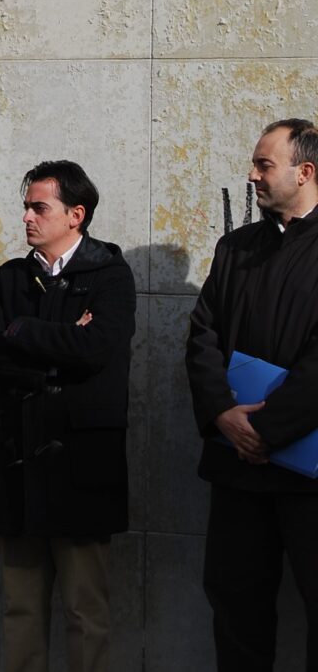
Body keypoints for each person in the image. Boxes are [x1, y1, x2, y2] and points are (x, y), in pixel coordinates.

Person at [0, 159, 136, 672]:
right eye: (26, 206)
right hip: (17, 459)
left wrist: (19, 331)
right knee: (21, 608)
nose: (27, 218)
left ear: (75, 215)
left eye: (39, 207)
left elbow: (96, 348)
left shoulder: (109, 275)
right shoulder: (10, 277)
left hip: (83, 465)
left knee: (86, 608)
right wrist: (53, 347)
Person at [185, 118, 318, 671]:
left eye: (264, 165)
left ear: (305, 171)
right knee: (235, 605)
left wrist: (265, 429)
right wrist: (222, 413)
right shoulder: (236, 246)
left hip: (309, 468)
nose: (252, 175)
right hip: (238, 469)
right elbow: (202, 336)